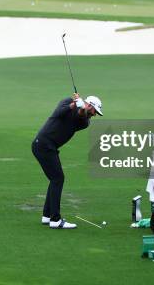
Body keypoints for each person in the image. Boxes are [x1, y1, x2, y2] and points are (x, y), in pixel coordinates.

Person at [32, 93, 103, 229]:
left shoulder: (86, 122)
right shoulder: (67, 101)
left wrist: (81, 108)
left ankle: (47, 216)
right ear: (90, 105)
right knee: (57, 179)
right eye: (95, 111)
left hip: (48, 147)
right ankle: (55, 220)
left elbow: (80, 117)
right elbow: (58, 113)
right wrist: (74, 104)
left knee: (55, 179)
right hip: (43, 144)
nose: (94, 114)